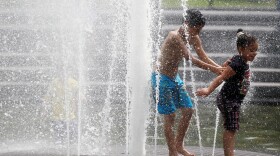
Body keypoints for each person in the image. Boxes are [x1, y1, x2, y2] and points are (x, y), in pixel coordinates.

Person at [152, 9, 224, 156]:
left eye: (199, 30)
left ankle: (179, 145)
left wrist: (220, 68)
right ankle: (172, 152)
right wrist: (214, 70)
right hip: (161, 78)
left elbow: (203, 57)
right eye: (195, 29)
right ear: (186, 24)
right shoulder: (175, 36)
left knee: (188, 110)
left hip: (174, 78)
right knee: (170, 116)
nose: (196, 33)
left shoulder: (194, 37)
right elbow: (191, 59)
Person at [196, 29, 258, 156]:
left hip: (231, 100)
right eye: (251, 50)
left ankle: (229, 153)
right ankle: (229, 154)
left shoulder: (239, 60)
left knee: (231, 128)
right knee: (231, 128)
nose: (254, 53)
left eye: (256, 50)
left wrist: (227, 63)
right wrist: (208, 90)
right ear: (241, 49)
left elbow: (225, 65)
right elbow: (221, 77)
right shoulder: (238, 63)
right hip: (229, 100)